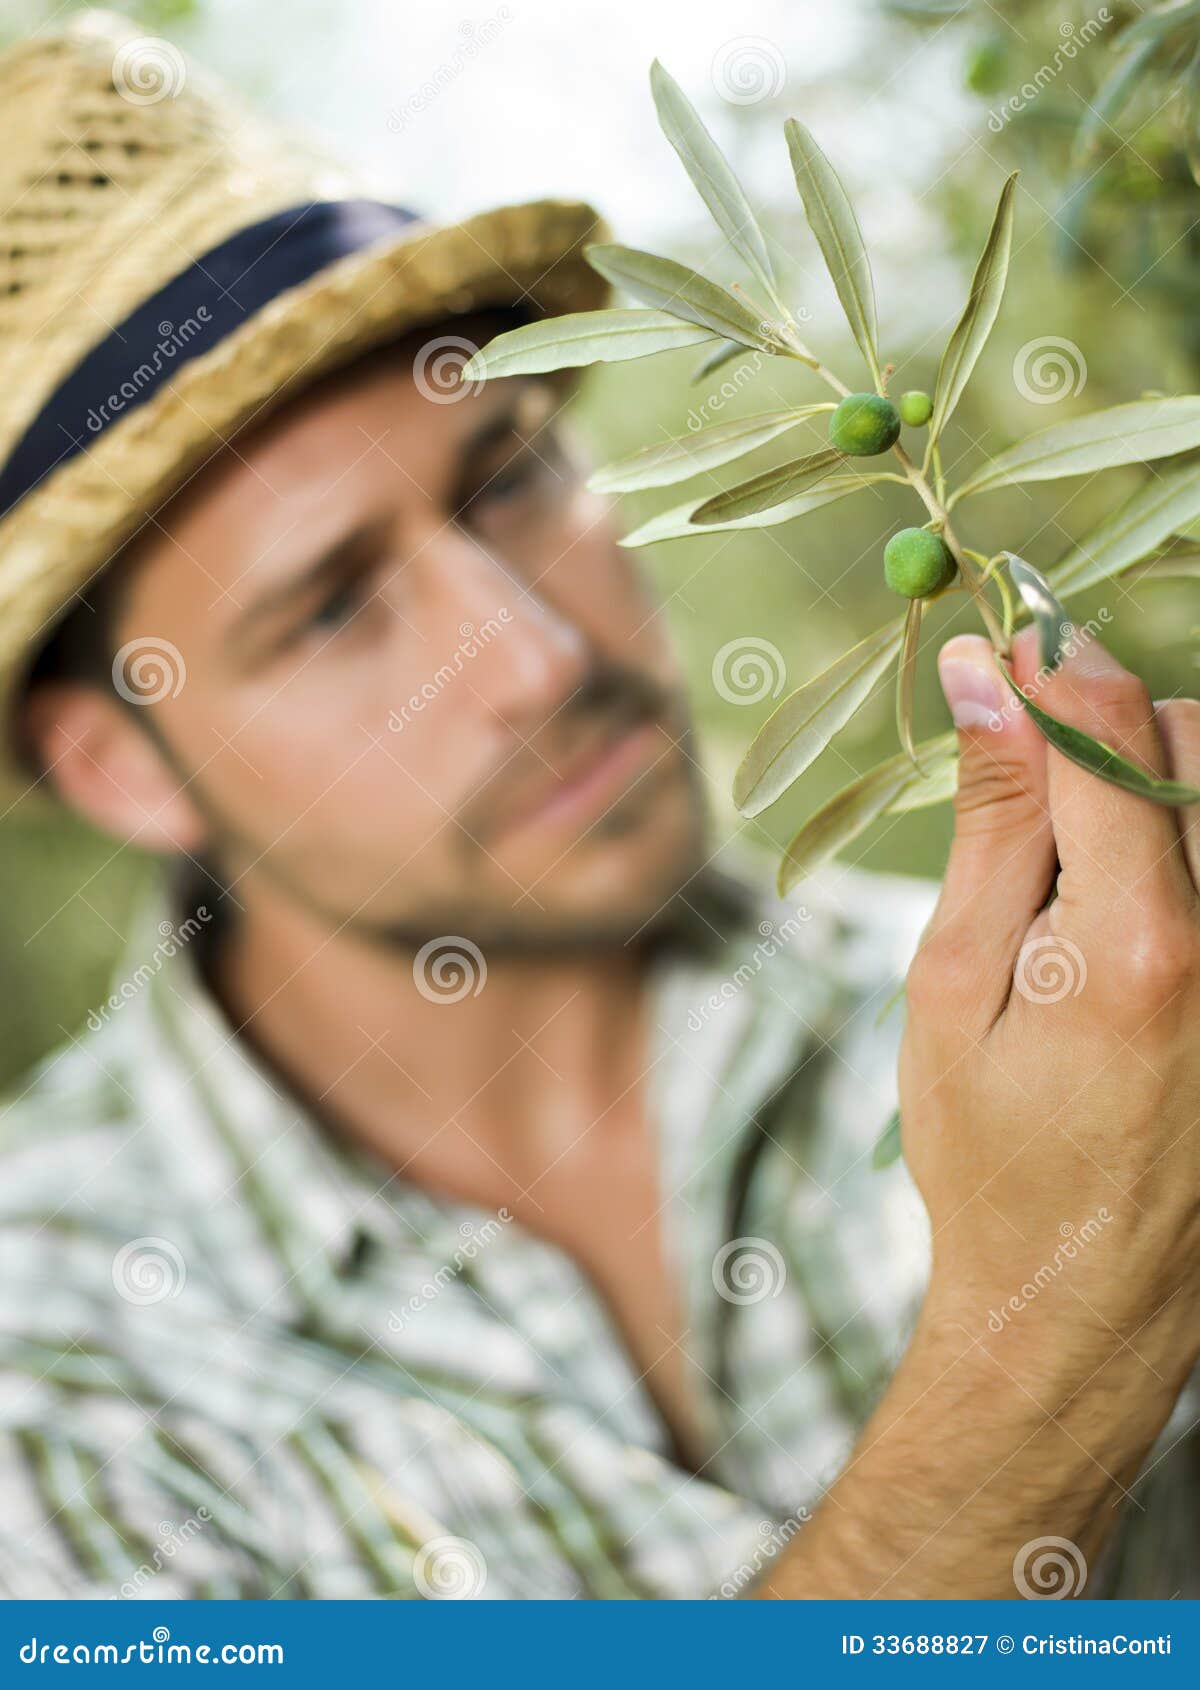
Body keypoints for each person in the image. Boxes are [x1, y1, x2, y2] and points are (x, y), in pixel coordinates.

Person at [0, 13, 1197, 1602]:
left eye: (508, 479)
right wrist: (1054, 1347)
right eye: (334, 607)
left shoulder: (1096, 1017)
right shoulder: (54, 1380)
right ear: (116, 762)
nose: (536, 656)